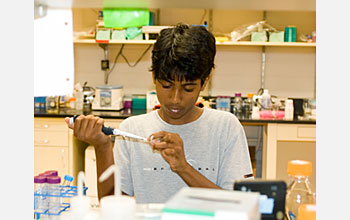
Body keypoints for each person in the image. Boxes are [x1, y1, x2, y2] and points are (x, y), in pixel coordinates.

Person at [65, 23, 253, 204]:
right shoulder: (132, 129)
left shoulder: (226, 127)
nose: (175, 99)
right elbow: (112, 204)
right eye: (166, 86)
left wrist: (183, 167)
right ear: (154, 77)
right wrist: (102, 147)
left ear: (204, 82)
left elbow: (238, 205)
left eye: (188, 88)